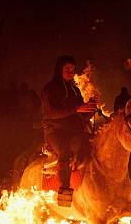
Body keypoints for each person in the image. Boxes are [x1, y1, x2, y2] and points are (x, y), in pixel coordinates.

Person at [41, 55, 97, 206]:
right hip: (55, 130)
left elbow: (82, 116)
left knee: (92, 147)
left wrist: (91, 108)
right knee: (65, 153)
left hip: (74, 130)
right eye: (67, 69)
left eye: (73, 69)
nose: (71, 72)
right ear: (59, 69)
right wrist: (78, 108)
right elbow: (51, 113)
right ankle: (64, 189)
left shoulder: (75, 90)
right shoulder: (49, 89)